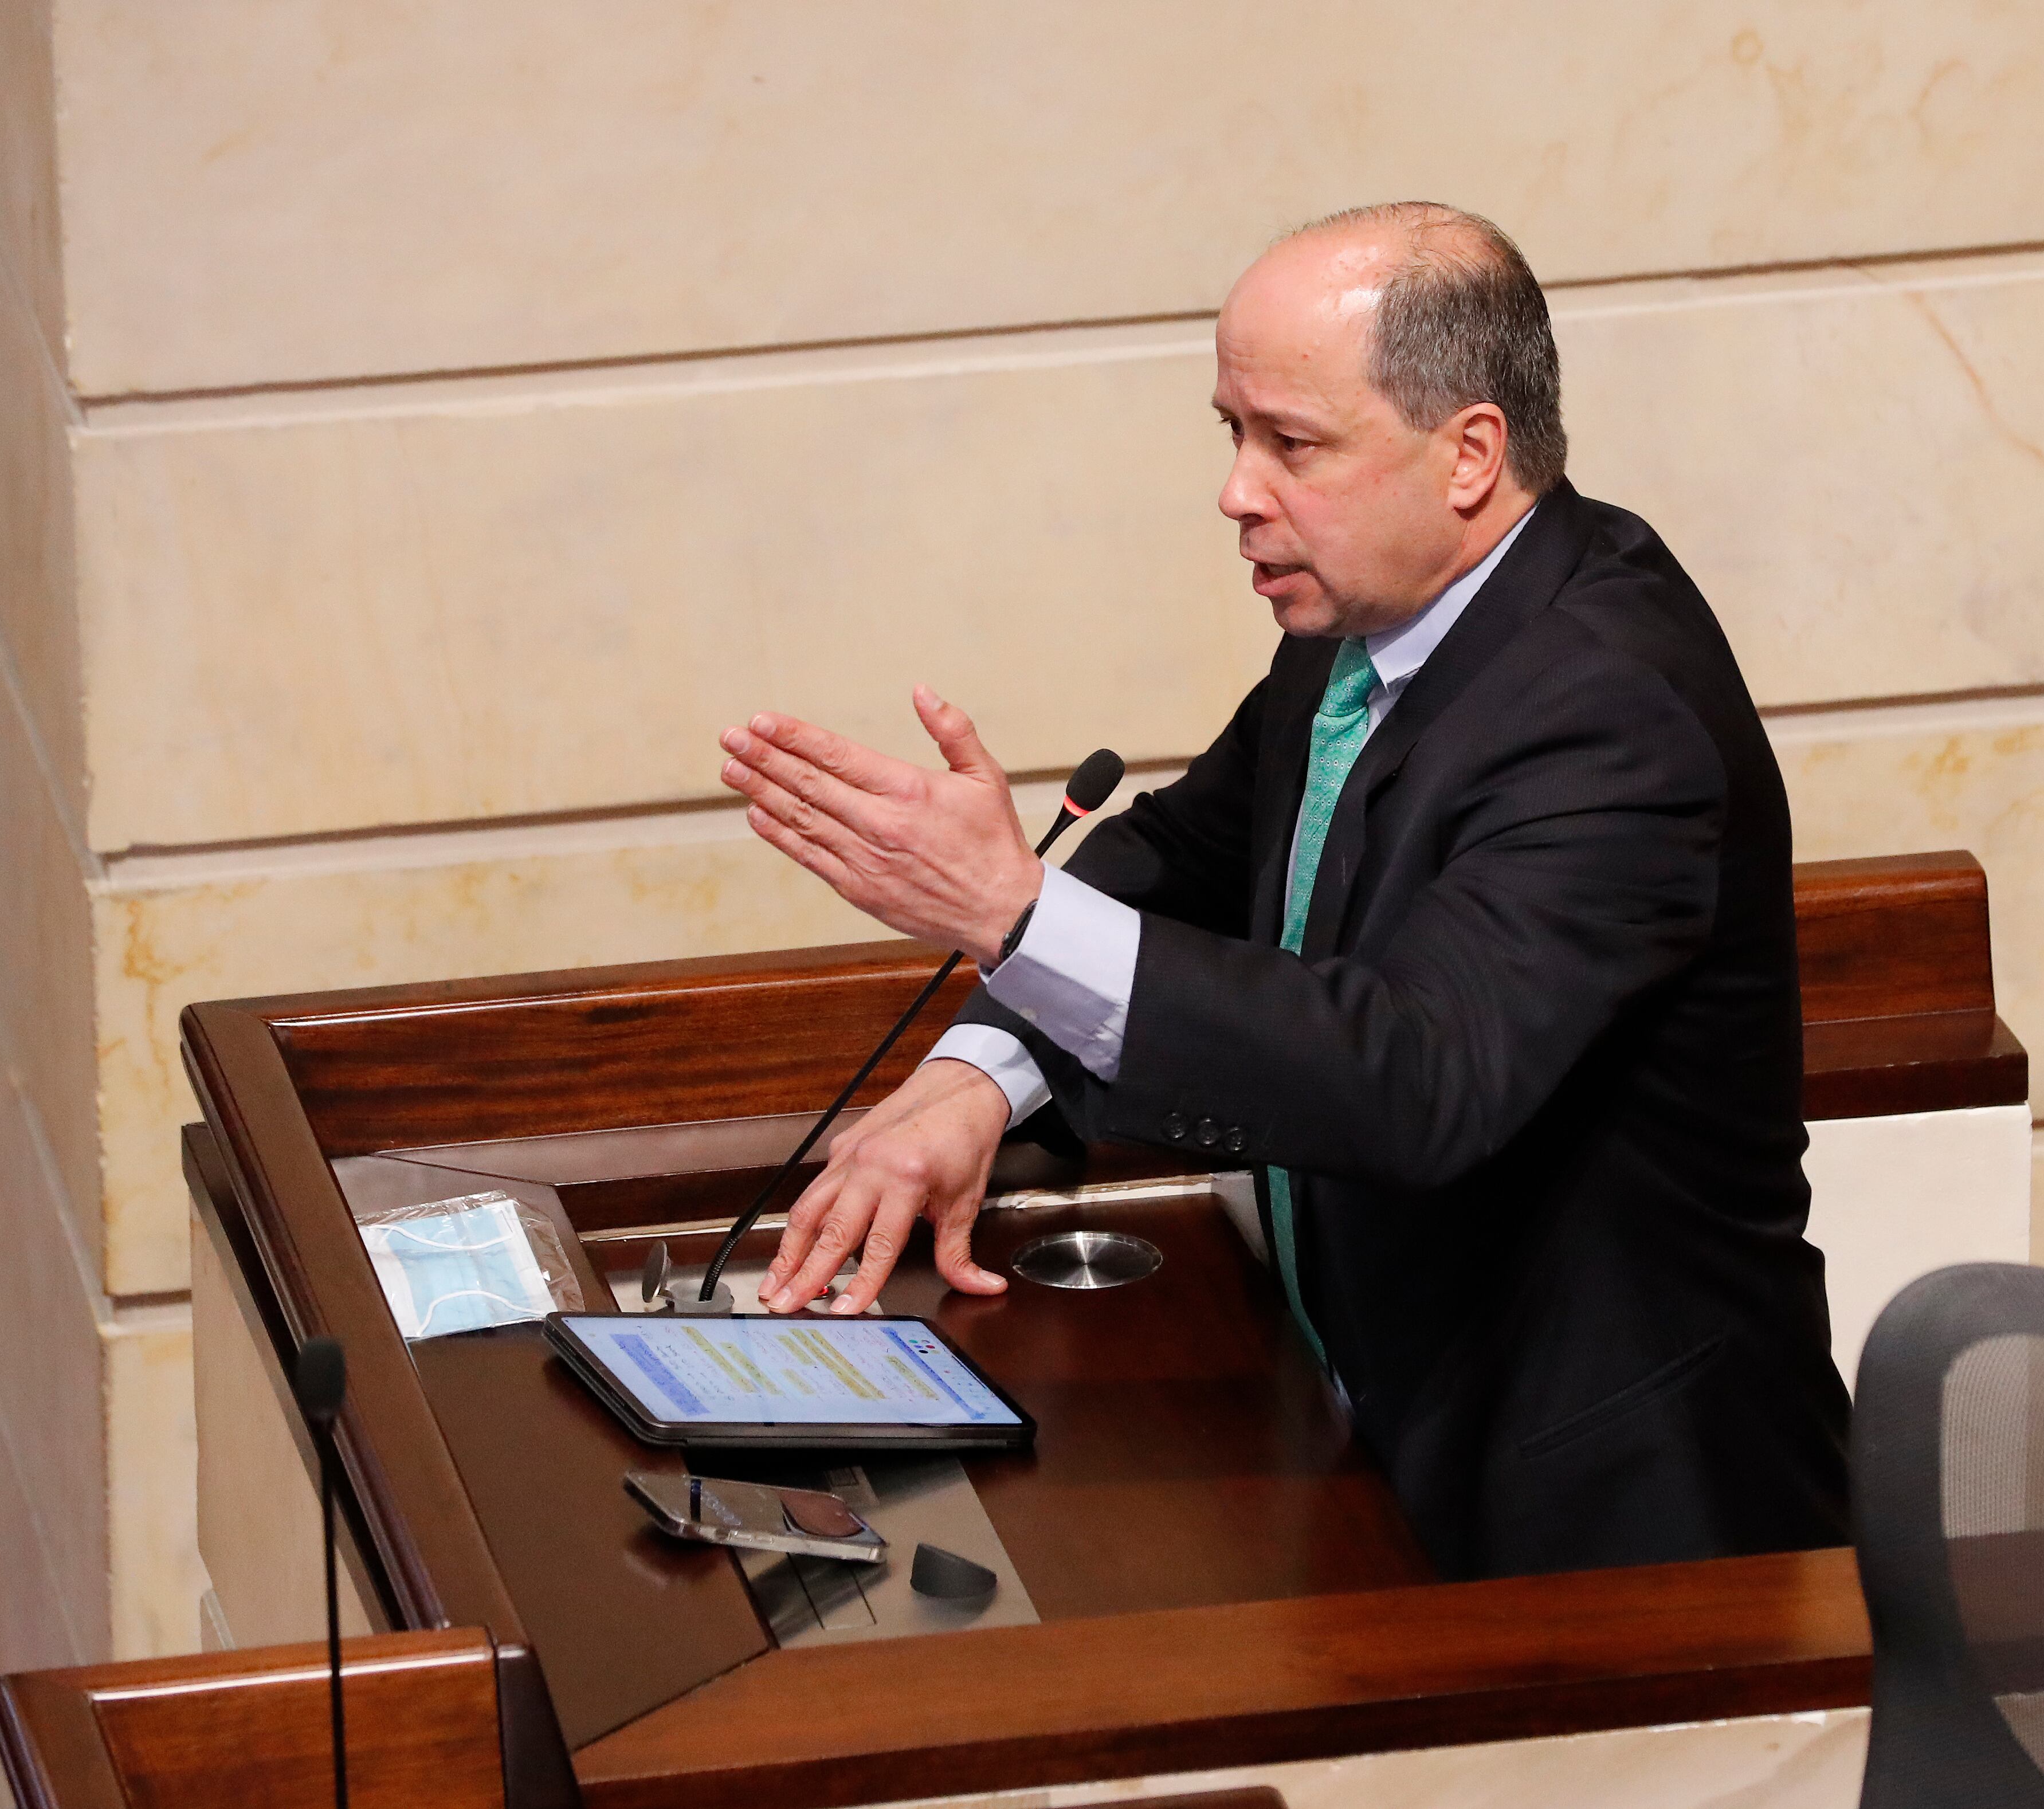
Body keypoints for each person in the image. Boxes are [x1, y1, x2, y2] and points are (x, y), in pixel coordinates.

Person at [715, 202, 1850, 1578]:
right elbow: (1175, 864)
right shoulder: (1357, 625)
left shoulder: (1610, 705)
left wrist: (1007, 913)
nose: (1237, 493)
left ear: (1469, 455)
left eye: (1292, 445)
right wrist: (977, 1079)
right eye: (1231, 433)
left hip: (1621, 1523)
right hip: (1377, 1433)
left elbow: (1418, 1075)